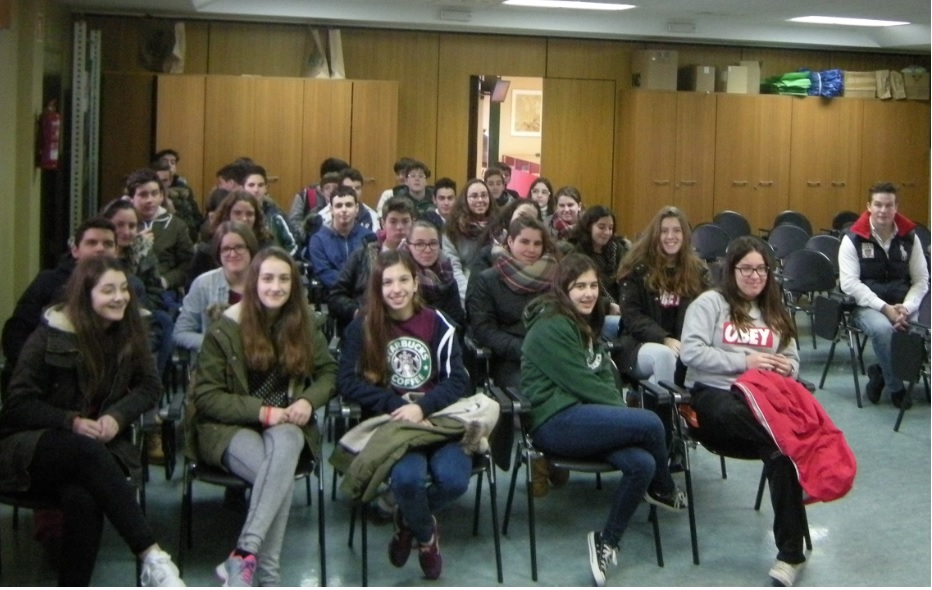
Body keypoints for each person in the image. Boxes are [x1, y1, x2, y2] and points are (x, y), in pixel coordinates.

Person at [0, 257, 184, 587]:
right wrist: (69, 421)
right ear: (86, 295)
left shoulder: (130, 333)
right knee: (84, 450)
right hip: (32, 450)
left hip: (98, 453)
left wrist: (117, 416)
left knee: (83, 498)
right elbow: (17, 404)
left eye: (124, 289)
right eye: (108, 290)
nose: (120, 297)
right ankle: (151, 555)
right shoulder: (49, 334)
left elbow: (149, 386)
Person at [520, 253, 686, 587]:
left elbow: (603, 376)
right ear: (562, 289)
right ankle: (665, 490)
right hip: (554, 420)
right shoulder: (552, 325)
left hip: (585, 417)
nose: (588, 293)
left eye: (593, 285)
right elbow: (582, 383)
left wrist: (618, 414)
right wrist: (625, 416)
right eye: (579, 286)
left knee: (642, 464)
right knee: (650, 424)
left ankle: (606, 541)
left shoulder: (582, 322)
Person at [192, 248, 337, 586]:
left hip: (286, 422)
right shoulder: (224, 328)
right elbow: (207, 396)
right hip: (230, 427)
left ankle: (243, 556)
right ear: (254, 282)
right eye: (268, 278)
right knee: (277, 478)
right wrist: (261, 412)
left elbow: (329, 372)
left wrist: (306, 400)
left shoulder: (303, 323)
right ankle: (268, 575)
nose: (276, 286)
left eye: (284, 279)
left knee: (288, 442)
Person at [679, 236, 808, 587]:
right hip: (713, 397)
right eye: (746, 269)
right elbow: (691, 352)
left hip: (762, 401)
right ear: (731, 269)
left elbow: (794, 360)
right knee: (778, 438)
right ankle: (797, 450)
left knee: (781, 455)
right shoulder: (710, 304)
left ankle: (790, 556)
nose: (754, 276)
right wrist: (744, 361)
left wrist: (786, 368)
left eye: (761, 269)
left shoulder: (774, 311)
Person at [337, 249, 472, 580]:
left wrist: (422, 407)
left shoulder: (438, 323)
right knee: (407, 480)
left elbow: (459, 380)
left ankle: (407, 522)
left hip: (437, 421)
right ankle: (427, 538)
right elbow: (346, 381)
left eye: (402, 280)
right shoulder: (364, 327)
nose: (395, 289)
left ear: (415, 282)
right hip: (395, 425)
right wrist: (397, 406)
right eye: (387, 283)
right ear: (377, 288)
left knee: (454, 480)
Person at [839, 182, 930, 409]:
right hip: (866, 306)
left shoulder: (910, 238)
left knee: (923, 327)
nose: (883, 210)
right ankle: (896, 388)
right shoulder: (852, 239)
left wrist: (906, 308)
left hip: (904, 304)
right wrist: (884, 308)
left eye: (888, 205)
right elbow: (850, 284)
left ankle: (880, 371)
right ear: (869, 206)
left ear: (896, 207)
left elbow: (921, 280)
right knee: (883, 330)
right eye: (878, 205)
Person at [2, 217, 117, 372]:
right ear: (75, 251)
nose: (100, 249)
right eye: (91, 243)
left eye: (108, 244)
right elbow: (17, 331)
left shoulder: (128, 287)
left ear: (116, 252)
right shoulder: (48, 281)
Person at [615, 206, 708, 387]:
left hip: (684, 345)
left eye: (676, 231)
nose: (670, 236)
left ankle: (655, 411)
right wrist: (664, 339)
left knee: (658, 380)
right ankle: (665, 415)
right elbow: (632, 316)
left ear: (685, 235)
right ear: (655, 234)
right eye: (664, 231)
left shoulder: (698, 272)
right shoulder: (637, 269)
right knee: (664, 356)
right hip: (639, 344)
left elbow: (706, 312)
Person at [466, 216, 558, 391]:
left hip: (551, 354)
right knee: (541, 391)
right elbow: (484, 330)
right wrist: (524, 349)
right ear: (510, 241)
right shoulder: (488, 279)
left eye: (537, 244)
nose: (531, 249)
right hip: (510, 360)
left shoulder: (553, 277)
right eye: (524, 242)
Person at [328, 196, 415, 333]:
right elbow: (336, 296)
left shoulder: (418, 255)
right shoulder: (362, 254)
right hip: (368, 325)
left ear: (413, 223)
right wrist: (357, 312)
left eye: (405, 221)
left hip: (410, 325)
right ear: (382, 223)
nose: (399, 227)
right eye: (393, 221)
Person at [174, 222, 258, 352]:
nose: (233, 254)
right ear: (218, 252)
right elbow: (180, 333)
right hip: (216, 364)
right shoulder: (203, 284)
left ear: (250, 249)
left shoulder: (265, 283)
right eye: (226, 249)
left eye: (239, 247)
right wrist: (216, 344)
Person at [567, 205, 631, 339]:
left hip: (621, 309)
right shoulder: (576, 252)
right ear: (589, 226)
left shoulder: (618, 250)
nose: (607, 232)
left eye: (610, 228)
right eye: (601, 227)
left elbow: (628, 283)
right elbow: (574, 291)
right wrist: (607, 306)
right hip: (591, 313)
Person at [128, 168, 193, 299]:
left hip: (164, 289)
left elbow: (187, 264)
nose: (149, 200)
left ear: (161, 196)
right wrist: (135, 245)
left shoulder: (176, 225)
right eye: (143, 195)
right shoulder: (123, 225)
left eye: (154, 194)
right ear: (131, 199)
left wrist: (166, 281)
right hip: (129, 287)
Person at [188, 191, 275, 287]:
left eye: (250, 214)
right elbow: (192, 287)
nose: (244, 219)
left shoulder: (267, 248)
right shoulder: (207, 250)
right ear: (227, 214)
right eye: (238, 213)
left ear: (256, 217)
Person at [398, 220, 467, 332]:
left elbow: (457, 322)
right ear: (408, 246)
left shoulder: (447, 275)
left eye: (433, 243)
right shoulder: (398, 279)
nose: (428, 250)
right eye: (419, 244)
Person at [307, 185, 376, 291]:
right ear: (331, 210)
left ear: (356, 208)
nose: (344, 210)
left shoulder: (369, 237)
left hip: (364, 295)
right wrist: (351, 285)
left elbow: (371, 272)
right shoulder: (318, 240)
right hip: (331, 295)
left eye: (349, 205)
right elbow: (324, 273)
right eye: (339, 206)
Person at [442, 178, 499, 301]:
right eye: (474, 196)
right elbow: (454, 268)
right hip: (465, 291)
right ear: (465, 200)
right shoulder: (452, 229)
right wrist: (471, 294)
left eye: (484, 196)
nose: (480, 200)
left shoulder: (499, 228)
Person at [237, 164, 299, 257]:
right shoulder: (234, 214)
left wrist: (279, 261)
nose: (256, 190)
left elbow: (293, 245)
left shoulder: (276, 215)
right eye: (251, 185)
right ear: (242, 188)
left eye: (260, 185)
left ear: (266, 188)